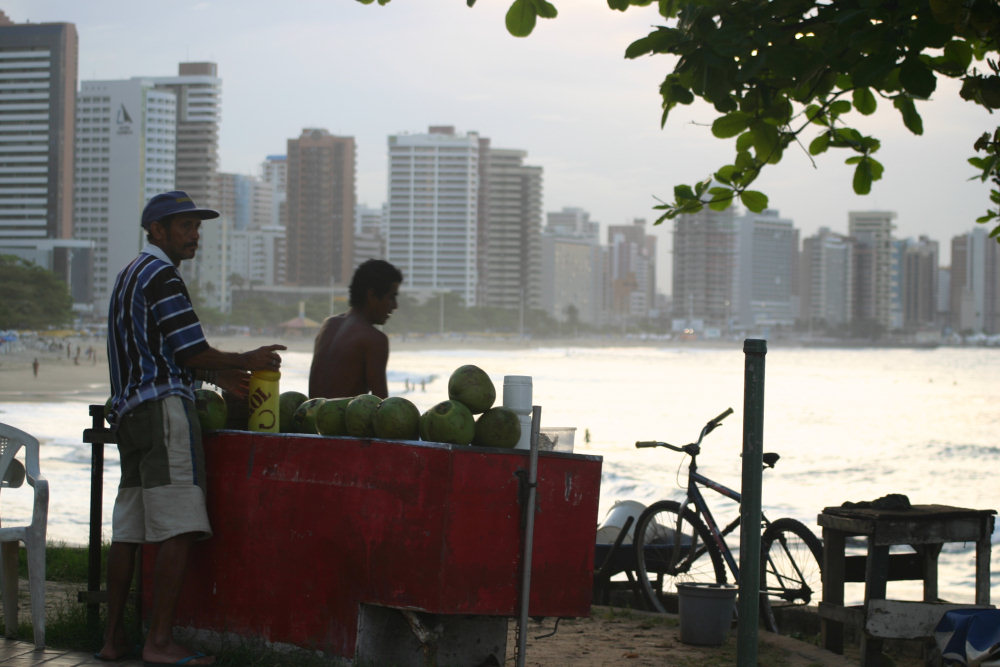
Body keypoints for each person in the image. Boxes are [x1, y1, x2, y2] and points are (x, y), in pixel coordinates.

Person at [97, 190, 286, 666]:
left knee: (129, 531)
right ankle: (159, 643)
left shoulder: (128, 275)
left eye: (196, 226)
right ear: (157, 231)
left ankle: (113, 639)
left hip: (129, 414)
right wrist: (246, 359)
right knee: (178, 525)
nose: (195, 234)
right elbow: (188, 352)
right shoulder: (162, 276)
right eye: (184, 226)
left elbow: (158, 349)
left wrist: (215, 372)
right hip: (162, 412)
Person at [308, 259, 402, 399]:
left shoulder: (328, 325)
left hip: (310, 418)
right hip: (342, 420)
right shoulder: (374, 339)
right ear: (371, 295)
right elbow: (383, 407)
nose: (395, 306)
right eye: (391, 297)